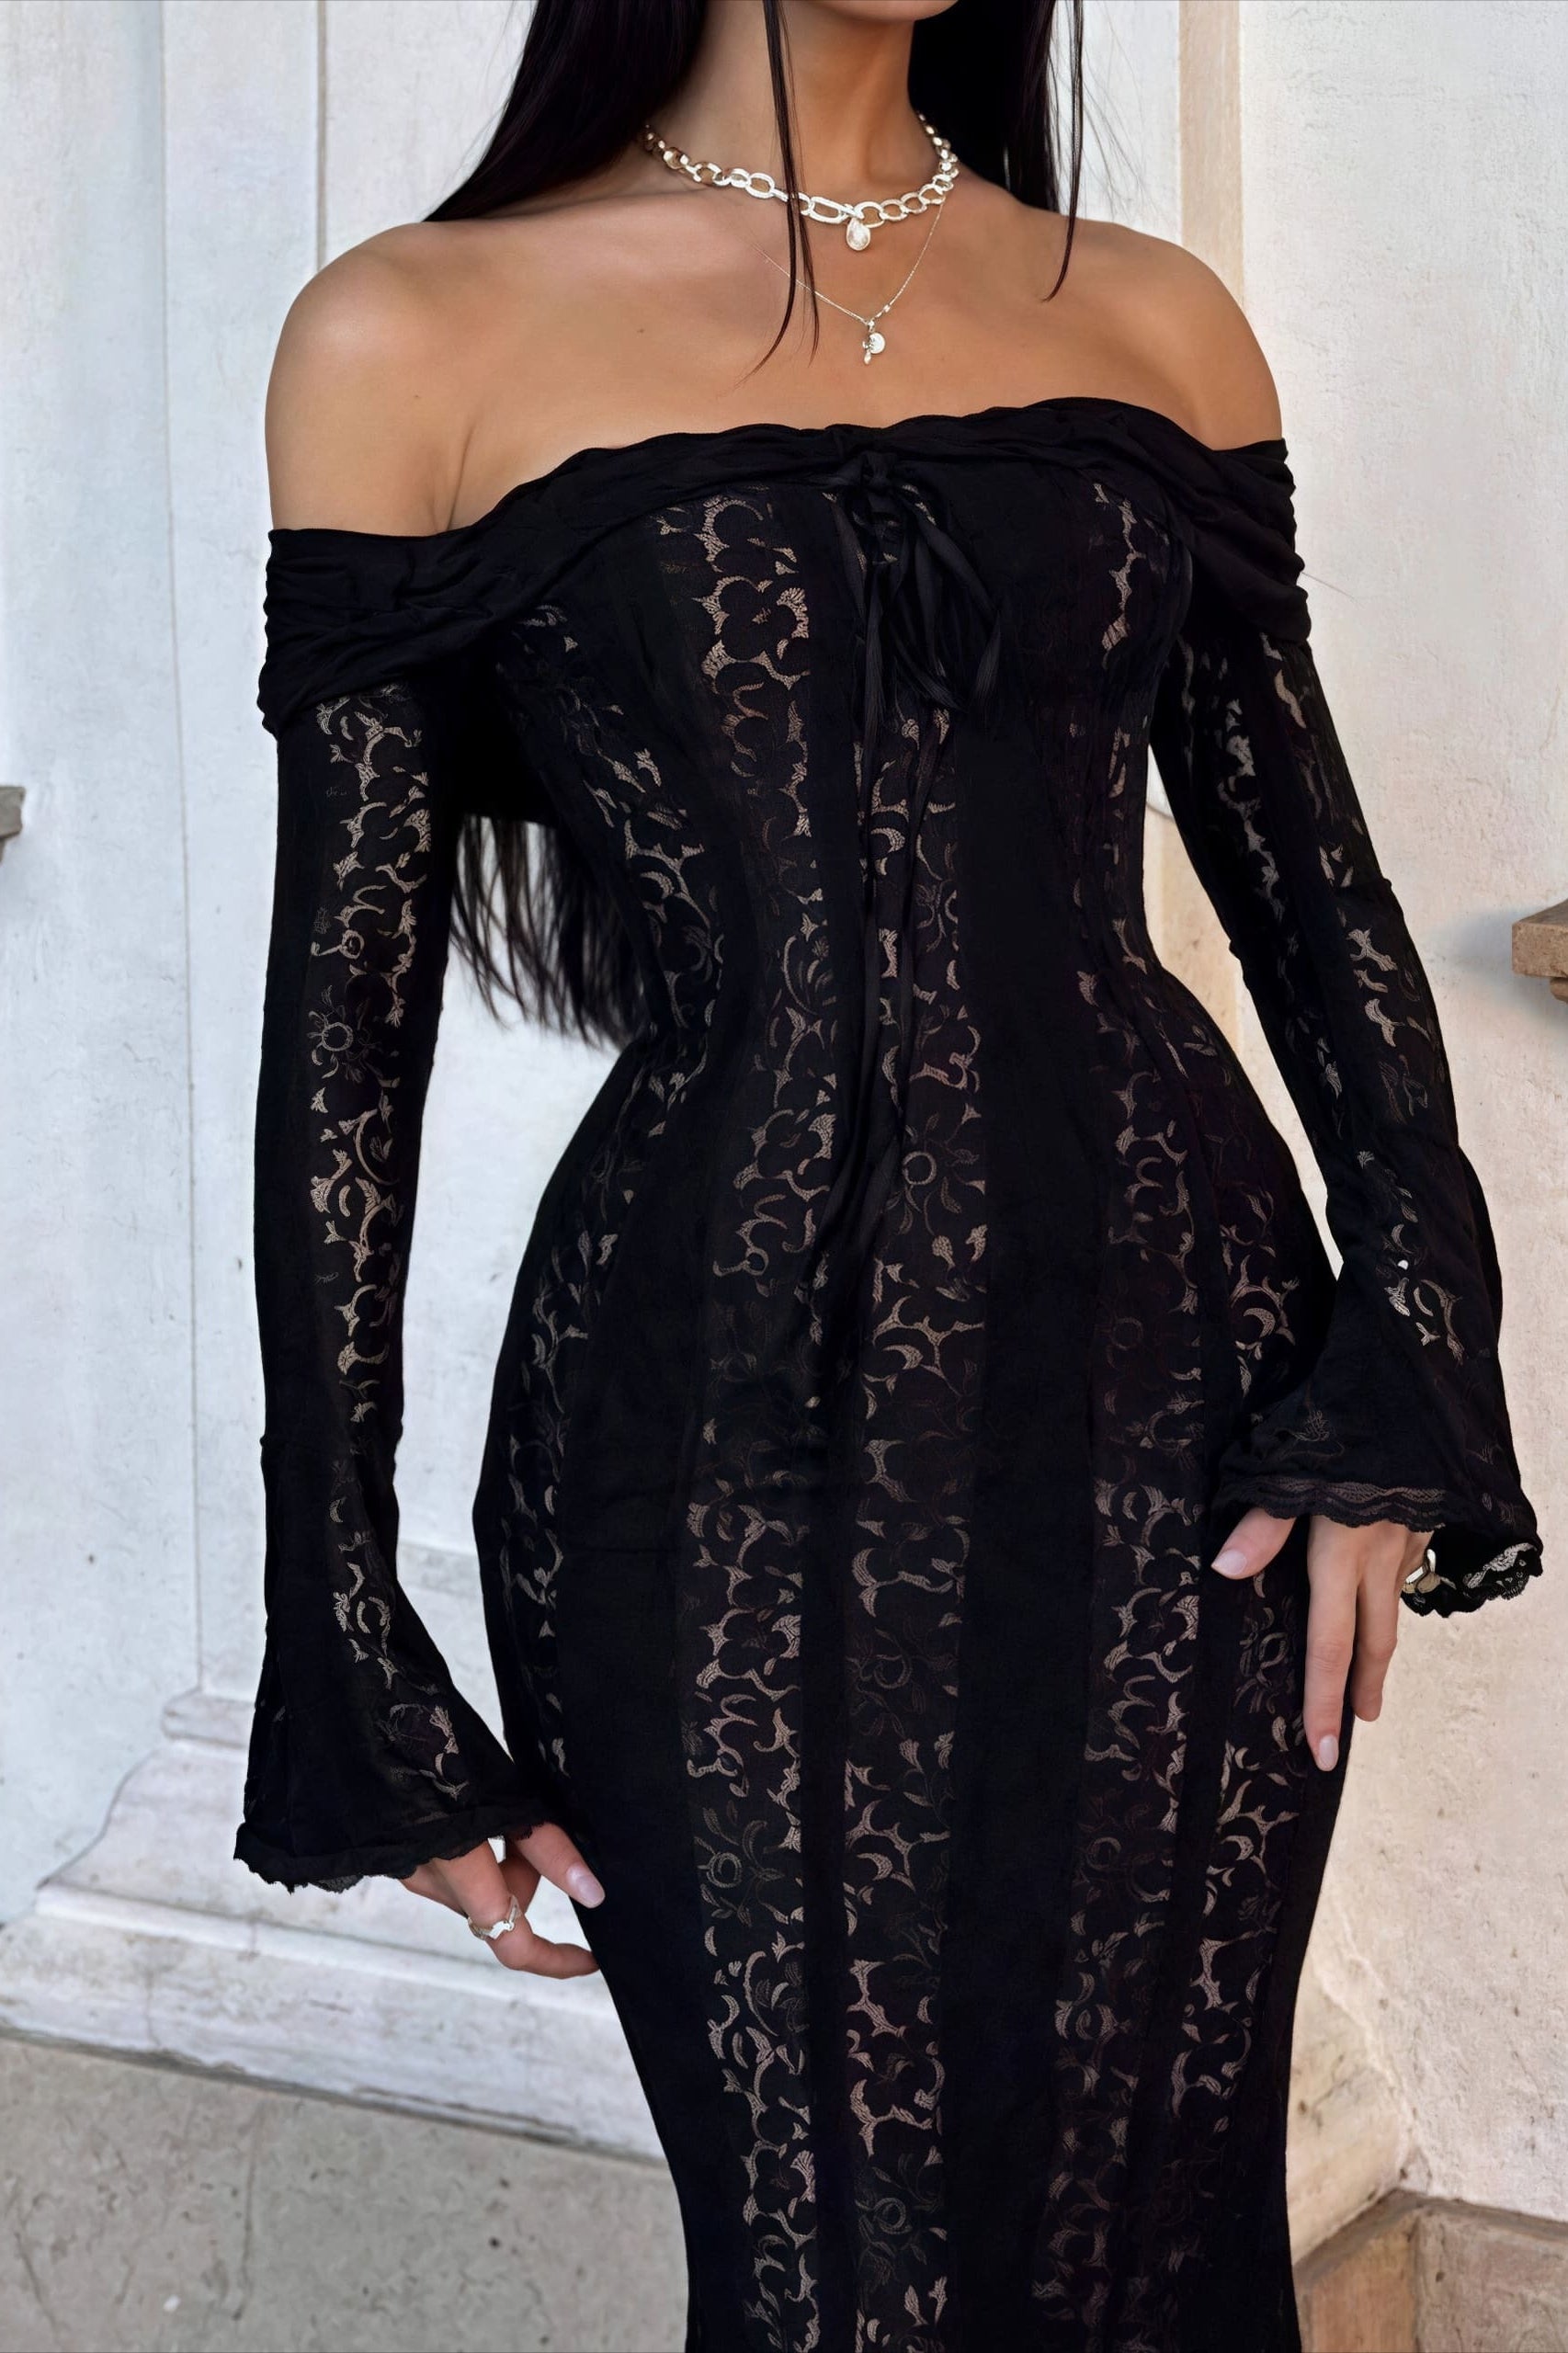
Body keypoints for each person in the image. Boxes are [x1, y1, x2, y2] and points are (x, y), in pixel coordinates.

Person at [236, 3, 1542, 2345]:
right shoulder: (409, 331)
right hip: (703, 1419)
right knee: (834, 2272)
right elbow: (344, 1038)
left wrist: (1411, 1356)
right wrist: (336, 1611)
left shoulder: (1144, 314)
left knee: (1156, 2245)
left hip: (1174, 1403)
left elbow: (1318, 912)